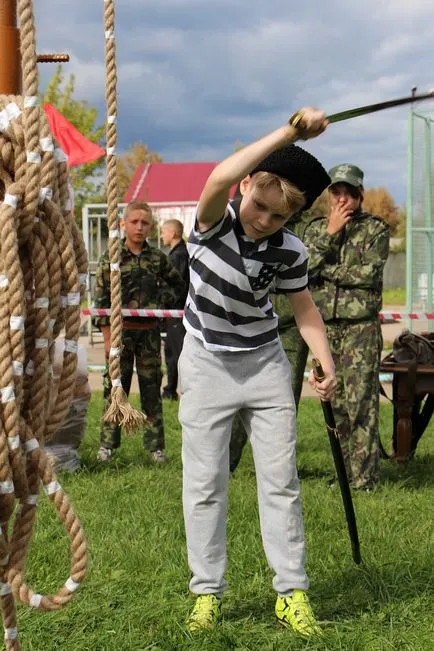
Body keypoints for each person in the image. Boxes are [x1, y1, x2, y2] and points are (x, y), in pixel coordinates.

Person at [178, 107, 336, 635]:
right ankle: (207, 594)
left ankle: (291, 592)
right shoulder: (213, 221)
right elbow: (218, 176)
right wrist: (292, 132)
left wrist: (324, 358)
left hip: (265, 365)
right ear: (247, 186)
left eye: (278, 217)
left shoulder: (291, 250)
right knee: (205, 484)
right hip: (205, 364)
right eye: (260, 205)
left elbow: (304, 308)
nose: (263, 220)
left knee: (281, 482)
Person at [307, 164, 390, 491]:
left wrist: (328, 272)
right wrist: (330, 233)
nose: (342, 198)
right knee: (334, 402)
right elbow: (304, 268)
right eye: (337, 192)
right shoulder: (317, 229)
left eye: (349, 192)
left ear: (360, 195)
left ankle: (365, 479)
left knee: (362, 403)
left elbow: (367, 274)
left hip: (360, 330)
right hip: (324, 329)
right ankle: (343, 476)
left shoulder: (375, 230)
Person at [94, 201, 186, 464]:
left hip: (148, 336)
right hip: (119, 336)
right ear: (123, 224)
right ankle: (107, 447)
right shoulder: (110, 257)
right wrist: (109, 340)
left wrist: (158, 302)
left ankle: (155, 448)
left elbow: (179, 287)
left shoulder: (157, 258)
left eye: (145, 223)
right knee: (113, 389)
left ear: (151, 226)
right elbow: (101, 301)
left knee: (151, 390)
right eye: (134, 222)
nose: (139, 227)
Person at [229, 206, 320, 472]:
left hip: (291, 325)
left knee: (283, 398)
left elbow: (311, 271)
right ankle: (226, 462)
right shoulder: (250, 219)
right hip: (254, 323)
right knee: (236, 398)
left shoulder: (310, 229)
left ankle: (275, 465)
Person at [160, 219, 189, 400]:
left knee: (176, 354)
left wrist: (165, 307)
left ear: (173, 233)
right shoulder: (181, 253)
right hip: (177, 313)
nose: (162, 236)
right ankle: (172, 390)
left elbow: (176, 287)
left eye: (164, 232)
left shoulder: (177, 257)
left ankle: (176, 391)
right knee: (174, 352)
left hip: (176, 313)